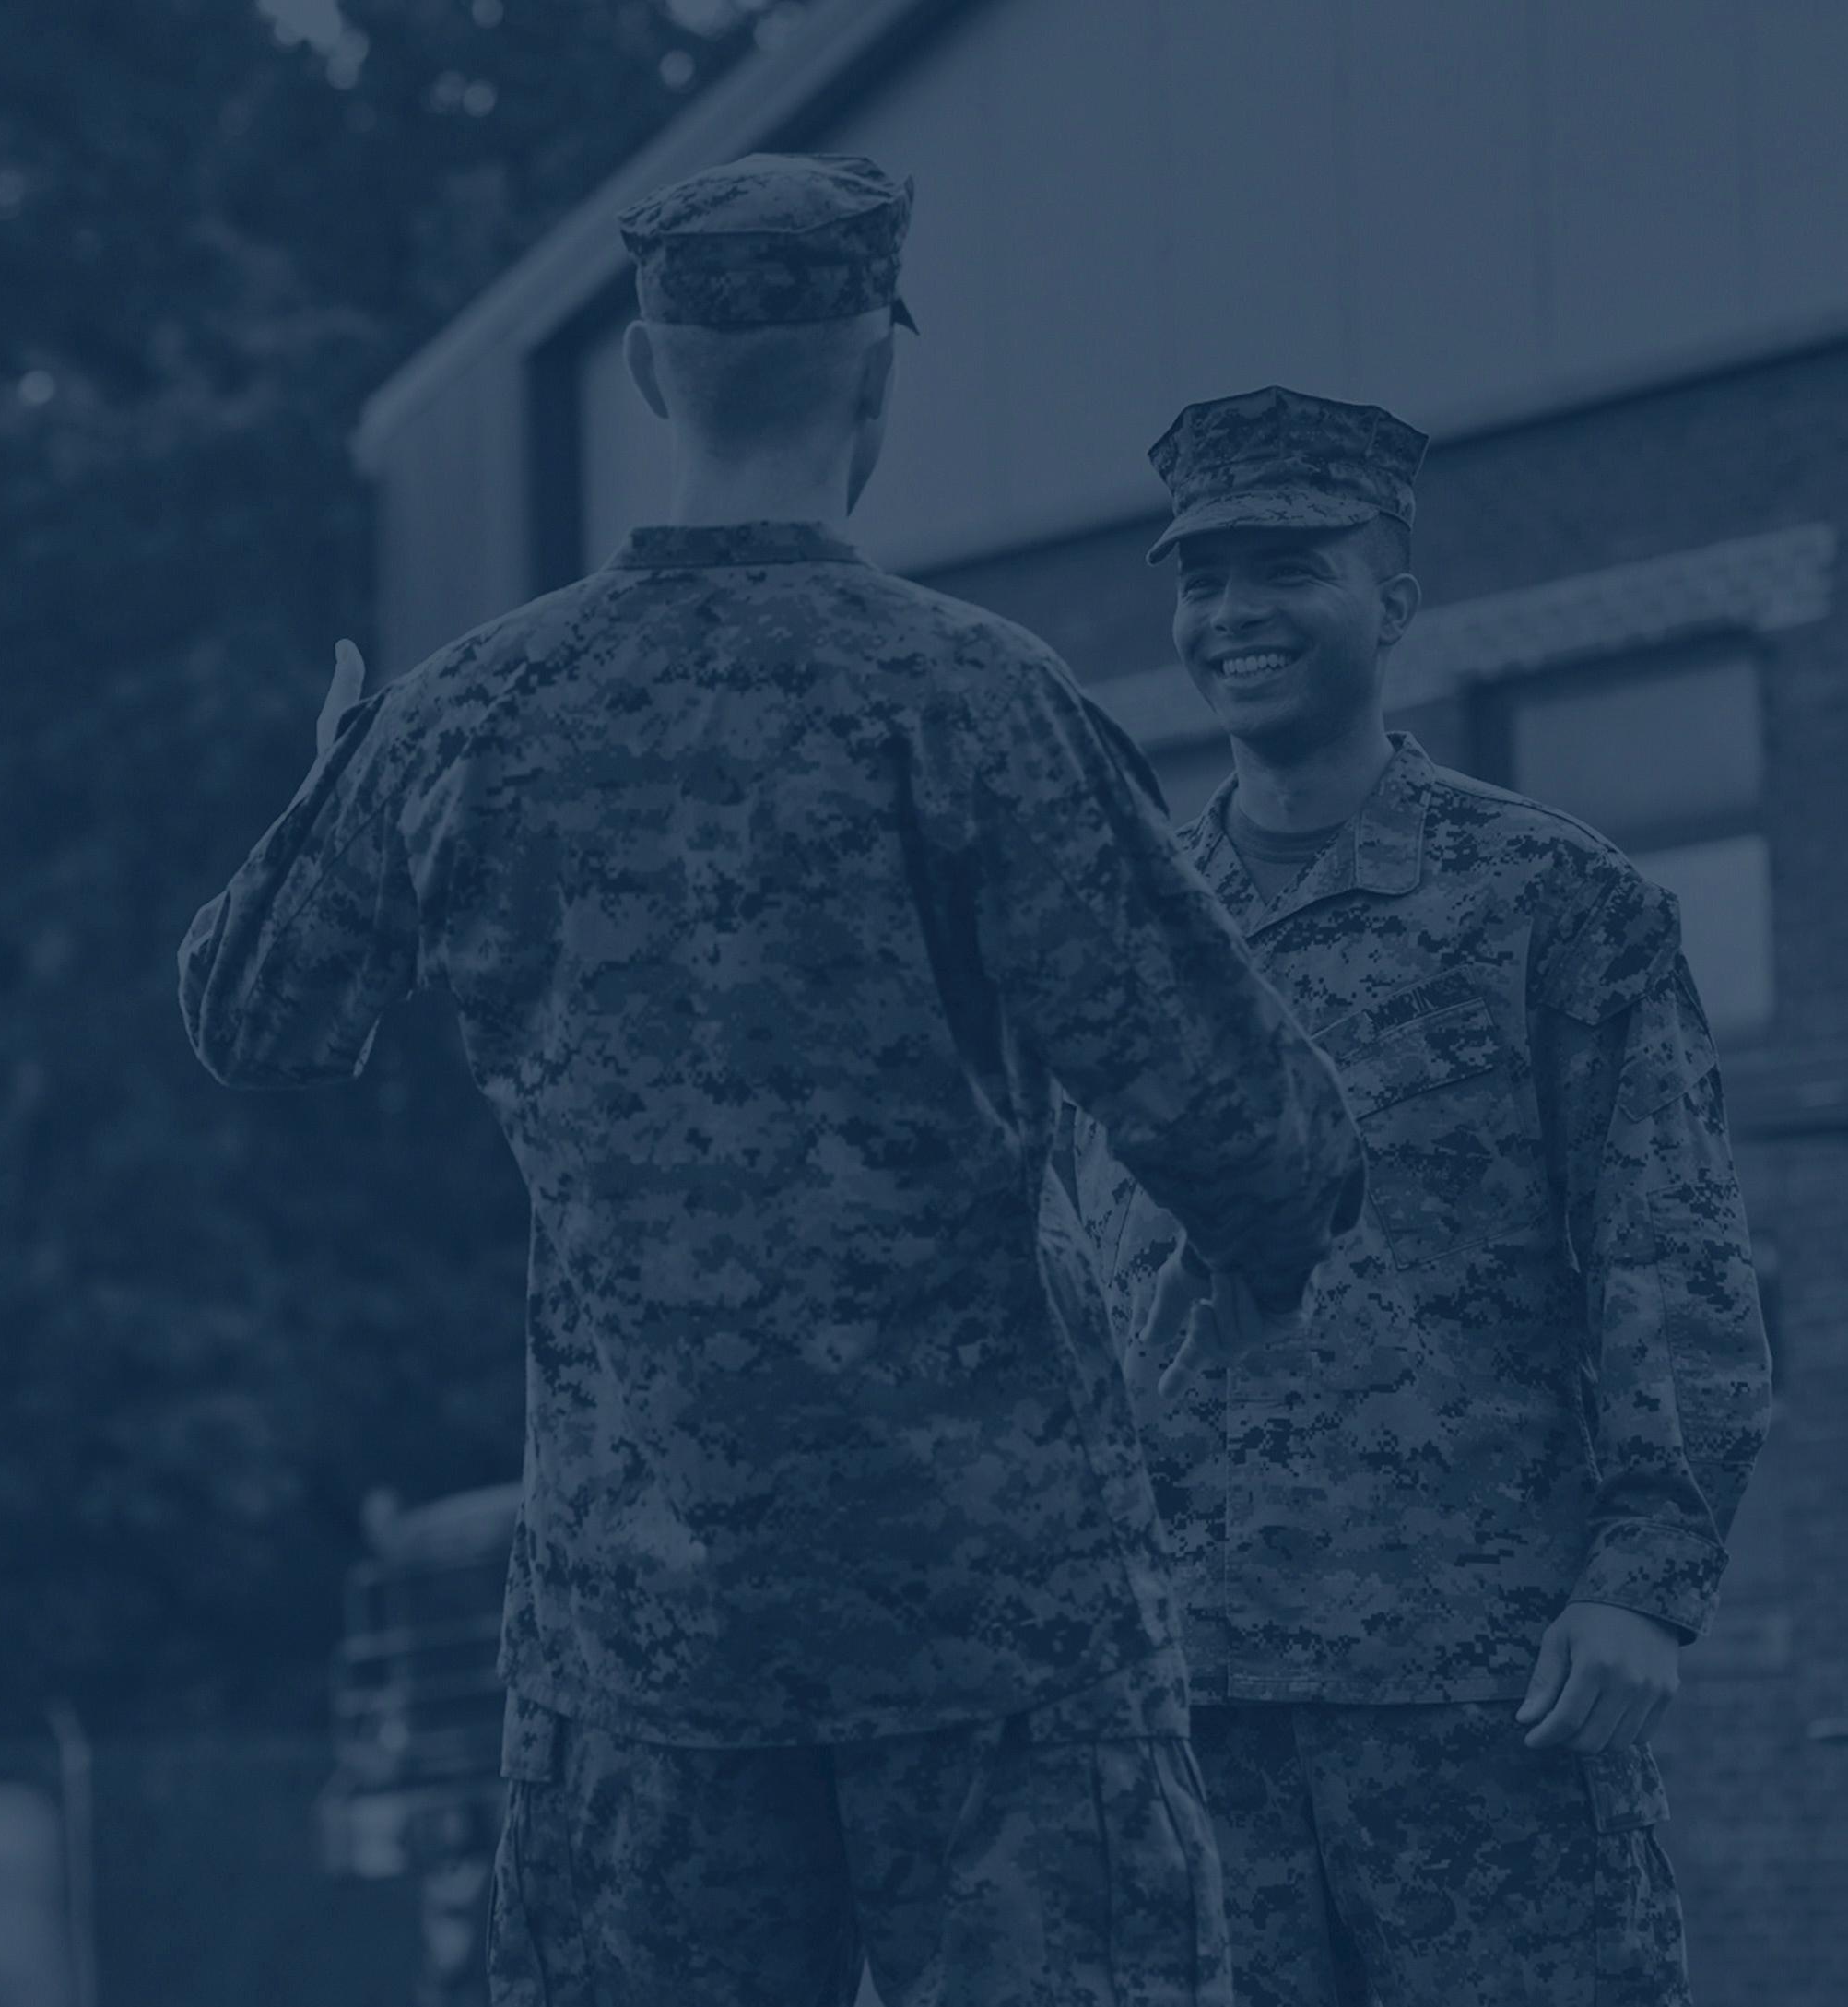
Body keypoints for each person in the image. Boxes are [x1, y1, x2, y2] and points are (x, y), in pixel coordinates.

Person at [181, 159, 1364, 2005]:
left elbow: (250, 1011)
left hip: (641, 1642)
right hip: (999, 1623)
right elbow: (1266, 1148)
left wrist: (341, 774)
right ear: (876, 375)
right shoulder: (977, 701)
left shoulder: (469, 715)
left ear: (650, 374)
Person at [1065, 385, 1774, 2006]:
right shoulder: (1130, 928)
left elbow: (1668, 1255)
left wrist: (1644, 1583)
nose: (1235, 614)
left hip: (1486, 1686)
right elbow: (1072, 1284)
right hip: (1190, 1696)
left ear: (1394, 597)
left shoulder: (1555, 901)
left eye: (1287, 568)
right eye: (1203, 578)